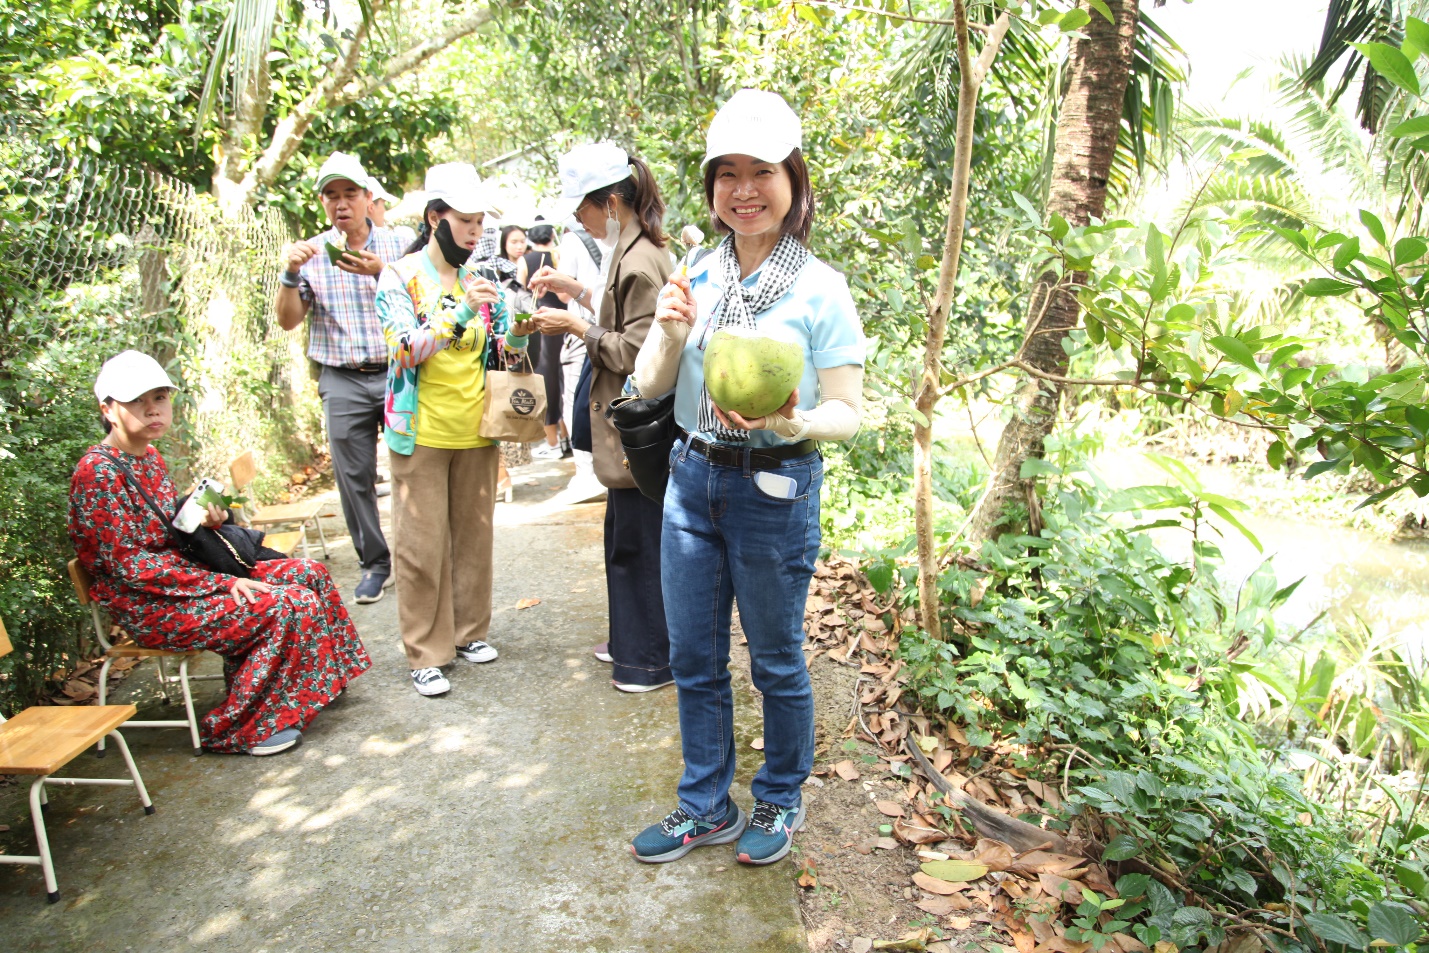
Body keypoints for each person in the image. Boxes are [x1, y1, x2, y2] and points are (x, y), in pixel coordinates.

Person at [628, 89, 867, 866]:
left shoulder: (819, 287)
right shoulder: (696, 270)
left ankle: (778, 796)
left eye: (760, 171)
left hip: (774, 490)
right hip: (691, 480)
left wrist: (788, 421)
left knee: (774, 659)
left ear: (792, 180)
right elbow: (649, 385)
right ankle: (704, 804)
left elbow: (848, 411)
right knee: (693, 656)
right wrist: (668, 331)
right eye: (725, 173)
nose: (742, 190)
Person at [69, 351, 372, 756]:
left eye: (159, 398)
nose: (152, 409)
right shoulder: (98, 473)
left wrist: (208, 520)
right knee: (283, 604)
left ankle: (310, 685)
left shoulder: (149, 457)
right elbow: (130, 566)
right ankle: (245, 728)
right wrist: (224, 582)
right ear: (107, 409)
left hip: (184, 583)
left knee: (307, 573)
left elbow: (167, 535)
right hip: (149, 605)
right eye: (136, 401)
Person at [374, 163, 533, 697]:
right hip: (419, 431)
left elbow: (503, 350)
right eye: (465, 220)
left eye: (479, 222)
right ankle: (426, 650)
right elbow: (403, 348)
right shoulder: (399, 277)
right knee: (421, 546)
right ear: (434, 218)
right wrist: (461, 312)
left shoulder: (476, 279)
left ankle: (469, 633)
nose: (474, 232)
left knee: (474, 538)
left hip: (477, 429)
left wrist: (514, 330)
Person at [527, 142, 673, 692]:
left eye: (581, 211)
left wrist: (574, 328)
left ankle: (649, 660)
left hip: (639, 429)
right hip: (631, 434)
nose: (579, 222)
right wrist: (576, 293)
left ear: (609, 203)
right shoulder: (633, 247)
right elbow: (620, 310)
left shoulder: (636, 258)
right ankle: (631, 644)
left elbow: (638, 351)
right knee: (626, 535)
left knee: (637, 544)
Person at [275, 152, 405, 604]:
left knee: (413, 465)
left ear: (369, 198)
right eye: (332, 195)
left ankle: (417, 554)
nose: (342, 203)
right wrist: (289, 274)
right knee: (354, 478)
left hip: (400, 370)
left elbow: (428, 299)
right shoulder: (309, 254)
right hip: (341, 376)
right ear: (323, 203)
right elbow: (290, 320)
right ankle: (375, 563)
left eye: (350, 193)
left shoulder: (399, 245)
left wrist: (381, 272)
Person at [551, 222, 608, 504]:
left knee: (578, 402)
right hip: (608, 329)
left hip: (583, 329)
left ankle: (588, 474)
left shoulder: (573, 240)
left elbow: (563, 295)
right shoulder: (621, 239)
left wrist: (565, 285)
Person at [520, 222, 567, 460]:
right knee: (564, 380)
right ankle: (567, 438)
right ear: (551, 234)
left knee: (546, 380)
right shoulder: (558, 255)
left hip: (543, 321)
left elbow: (523, 291)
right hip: (567, 322)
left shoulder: (525, 260)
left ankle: (553, 442)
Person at [368, 177, 417, 245]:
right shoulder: (398, 243)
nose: (384, 210)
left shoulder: (403, 237)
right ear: (371, 207)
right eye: (383, 205)